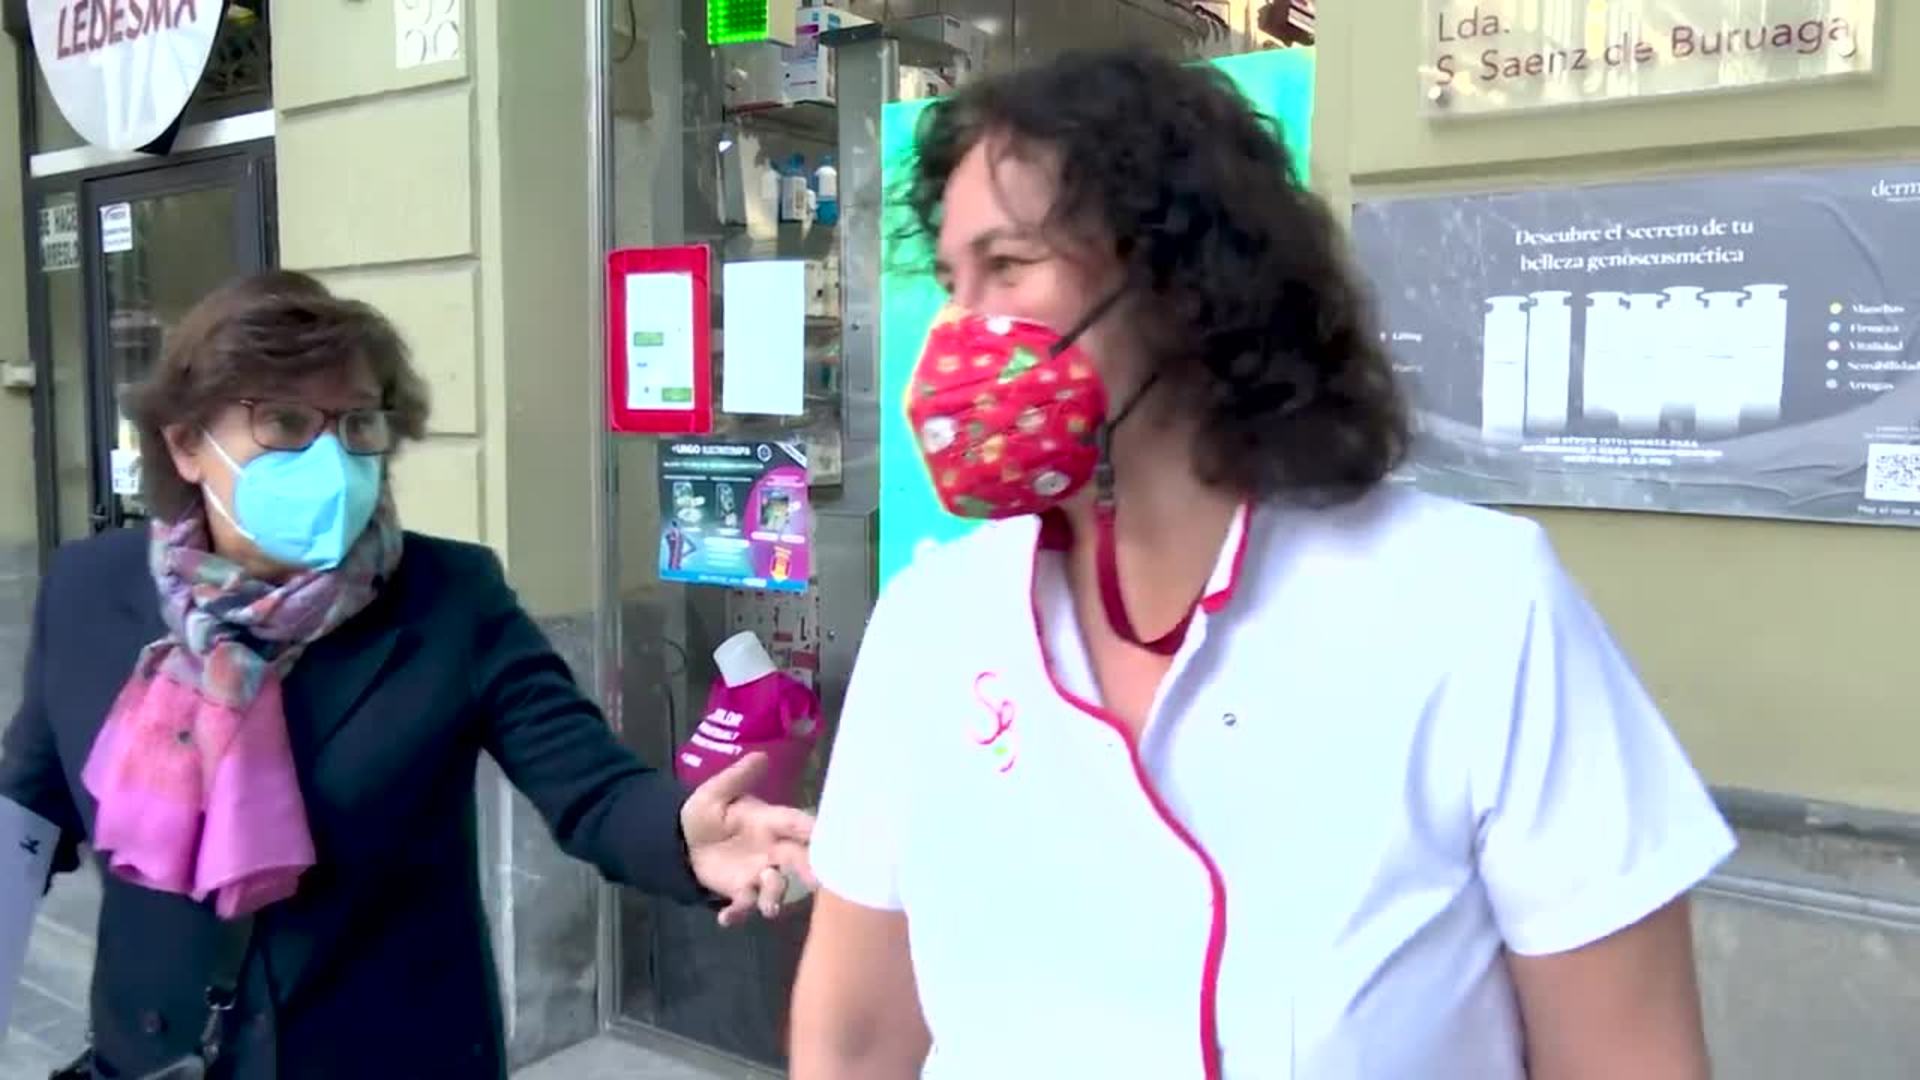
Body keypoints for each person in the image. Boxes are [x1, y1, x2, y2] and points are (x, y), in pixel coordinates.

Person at [790, 48, 1733, 1080]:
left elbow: (1627, 1058)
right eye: (951, 282)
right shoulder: (932, 622)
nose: (957, 331)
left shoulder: (1475, 606)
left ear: (1177, 284)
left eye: (1007, 267)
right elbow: (856, 1039)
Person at [0, 271, 813, 1080]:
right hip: (157, 1056)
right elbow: (28, 810)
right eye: (284, 422)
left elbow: (590, 786)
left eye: (357, 423)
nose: (331, 458)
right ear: (186, 445)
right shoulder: (90, 591)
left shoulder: (450, 597)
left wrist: (681, 835)